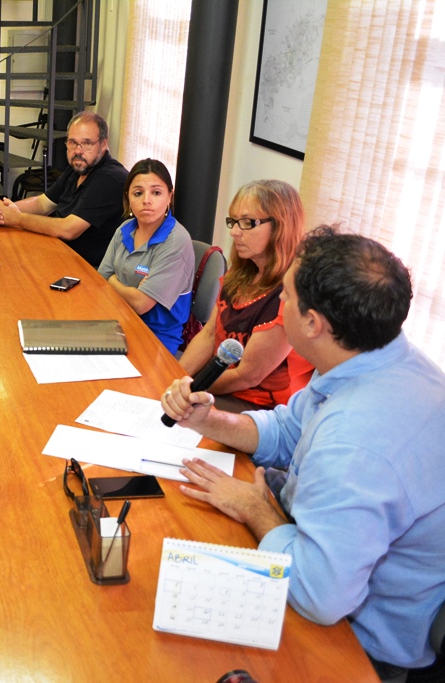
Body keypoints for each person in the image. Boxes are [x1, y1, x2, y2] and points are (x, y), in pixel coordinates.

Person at [161, 227, 445, 679]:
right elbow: (289, 430)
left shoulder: (358, 441)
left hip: (356, 642)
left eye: (285, 297)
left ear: (313, 323)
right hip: (323, 556)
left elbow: (320, 595)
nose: (278, 304)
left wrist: (257, 511)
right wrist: (209, 420)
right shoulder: (374, 356)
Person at [179, 180, 313, 412]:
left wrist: (192, 387)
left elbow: (247, 376)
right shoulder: (241, 272)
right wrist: (178, 376)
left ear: (281, 227)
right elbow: (210, 333)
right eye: (233, 221)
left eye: (247, 223)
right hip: (217, 387)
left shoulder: (290, 293)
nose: (234, 232)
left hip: (260, 408)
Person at [0, 111, 127, 266]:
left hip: (88, 268)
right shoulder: (77, 168)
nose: (78, 150)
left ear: (103, 144)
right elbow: (42, 203)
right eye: (72, 142)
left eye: (87, 143)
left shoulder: (110, 178)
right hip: (59, 251)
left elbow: (68, 229)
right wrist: (5, 210)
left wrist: (17, 218)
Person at [97, 158, 193, 355]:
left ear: (169, 197)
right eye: (138, 193)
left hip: (155, 336)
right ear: (128, 198)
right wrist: (130, 291)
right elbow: (100, 279)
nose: (146, 200)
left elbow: (141, 304)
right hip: (116, 320)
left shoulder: (176, 242)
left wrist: (114, 281)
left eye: (156, 193)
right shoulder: (125, 229)